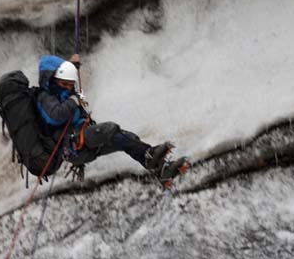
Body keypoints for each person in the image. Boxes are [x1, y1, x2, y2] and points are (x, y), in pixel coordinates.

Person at [35, 53, 189, 181]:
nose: (69, 88)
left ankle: (161, 170)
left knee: (127, 138)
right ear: (51, 80)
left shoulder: (58, 90)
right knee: (109, 130)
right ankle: (150, 157)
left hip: (81, 143)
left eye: (70, 84)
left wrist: (71, 67)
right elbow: (55, 115)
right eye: (65, 84)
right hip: (74, 143)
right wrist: (73, 101)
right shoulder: (44, 97)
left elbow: (63, 83)